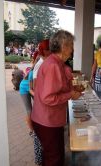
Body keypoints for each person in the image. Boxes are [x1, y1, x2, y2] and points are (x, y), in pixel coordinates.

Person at [31, 30, 82, 166]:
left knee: (53, 156)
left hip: (49, 120)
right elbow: (48, 98)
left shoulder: (57, 63)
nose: (72, 49)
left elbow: (57, 88)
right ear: (63, 46)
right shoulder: (53, 64)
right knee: (54, 159)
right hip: (47, 121)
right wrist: (71, 94)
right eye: (71, 45)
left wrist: (72, 90)